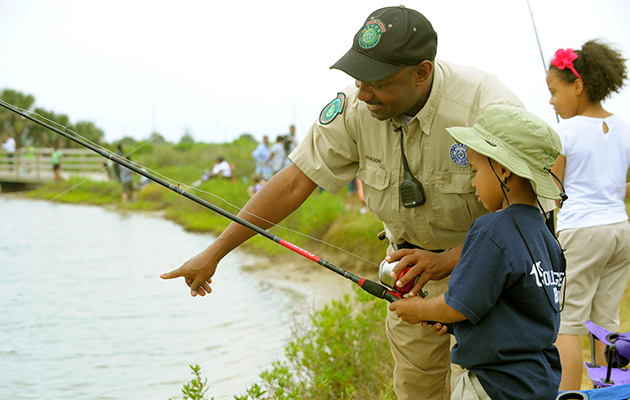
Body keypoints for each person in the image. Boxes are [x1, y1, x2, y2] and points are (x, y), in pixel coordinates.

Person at [161, 6, 526, 399]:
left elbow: (528, 218)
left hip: (486, 277)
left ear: (421, 72)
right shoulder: (355, 106)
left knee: (482, 390)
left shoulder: (487, 107)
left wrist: (450, 261)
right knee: (416, 391)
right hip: (408, 282)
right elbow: (293, 183)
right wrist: (215, 252)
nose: (363, 92)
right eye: (358, 76)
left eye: (378, 81)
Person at [390, 105, 566, 400]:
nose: (472, 183)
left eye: (474, 170)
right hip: (537, 381)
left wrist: (416, 310)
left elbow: (455, 306)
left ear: (503, 170)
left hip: (491, 385)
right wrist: (457, 326)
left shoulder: (490, 230)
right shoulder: (547, 238)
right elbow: (515, 313)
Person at [546, 40, 630, 390]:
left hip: (581, 232)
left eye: (554, 91)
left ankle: (567, 396)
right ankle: (611, 392)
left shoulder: (564, 132)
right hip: (620, 231)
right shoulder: (625, 127)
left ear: (578, 86)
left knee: (565, 323)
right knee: (604, 320)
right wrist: (610, 192)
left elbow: (552, 190)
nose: (551, 100)